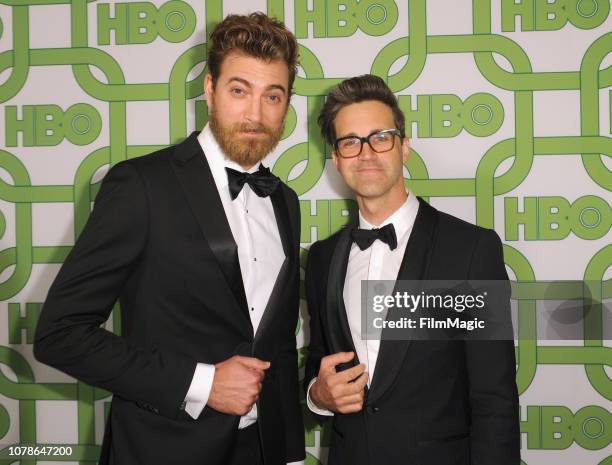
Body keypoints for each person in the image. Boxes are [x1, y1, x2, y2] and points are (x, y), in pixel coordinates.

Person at [34, 12, 305, 465]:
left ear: (286, 104)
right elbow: (60, 335)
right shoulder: (141, 185)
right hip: (164, 448)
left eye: (272, 96)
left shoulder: (285, 201)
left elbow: (273, 341)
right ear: (210, 91)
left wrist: (289, 453)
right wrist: (202, 383)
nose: (256, 114)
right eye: (240, 90)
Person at [304, 74, 520, 465]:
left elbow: (495, 399)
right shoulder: (321, 259)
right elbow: (318, 365)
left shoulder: (471, 250)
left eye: (381, 137)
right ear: (335, 159)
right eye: (350, 142)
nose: (366, 153)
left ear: (403, 147)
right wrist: (318, 396)